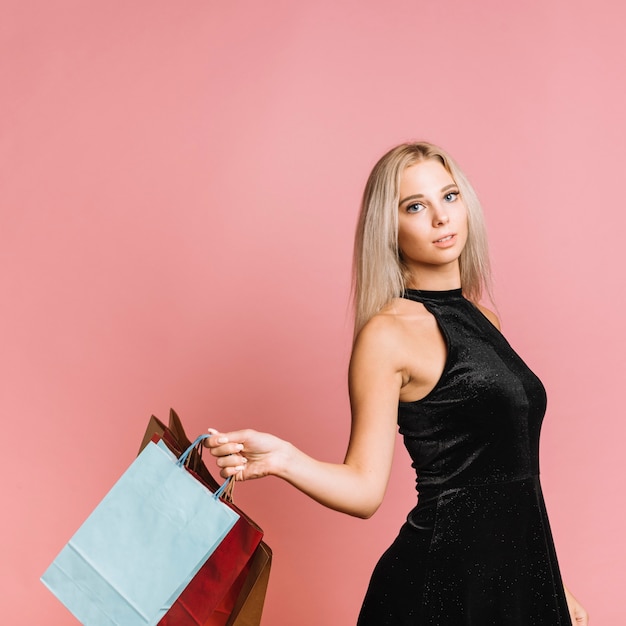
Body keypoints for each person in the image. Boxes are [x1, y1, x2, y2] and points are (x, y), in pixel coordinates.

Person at [205, 142, 588, 625]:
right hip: (437, 587)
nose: (441, 218)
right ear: (389, 229)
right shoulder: (386, 334)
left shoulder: (484, 318)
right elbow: (365, 490)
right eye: (416, 206)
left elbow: (510, 479)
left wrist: (549, 578)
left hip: (510, 582)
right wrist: (284, 458)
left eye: (449, 197)